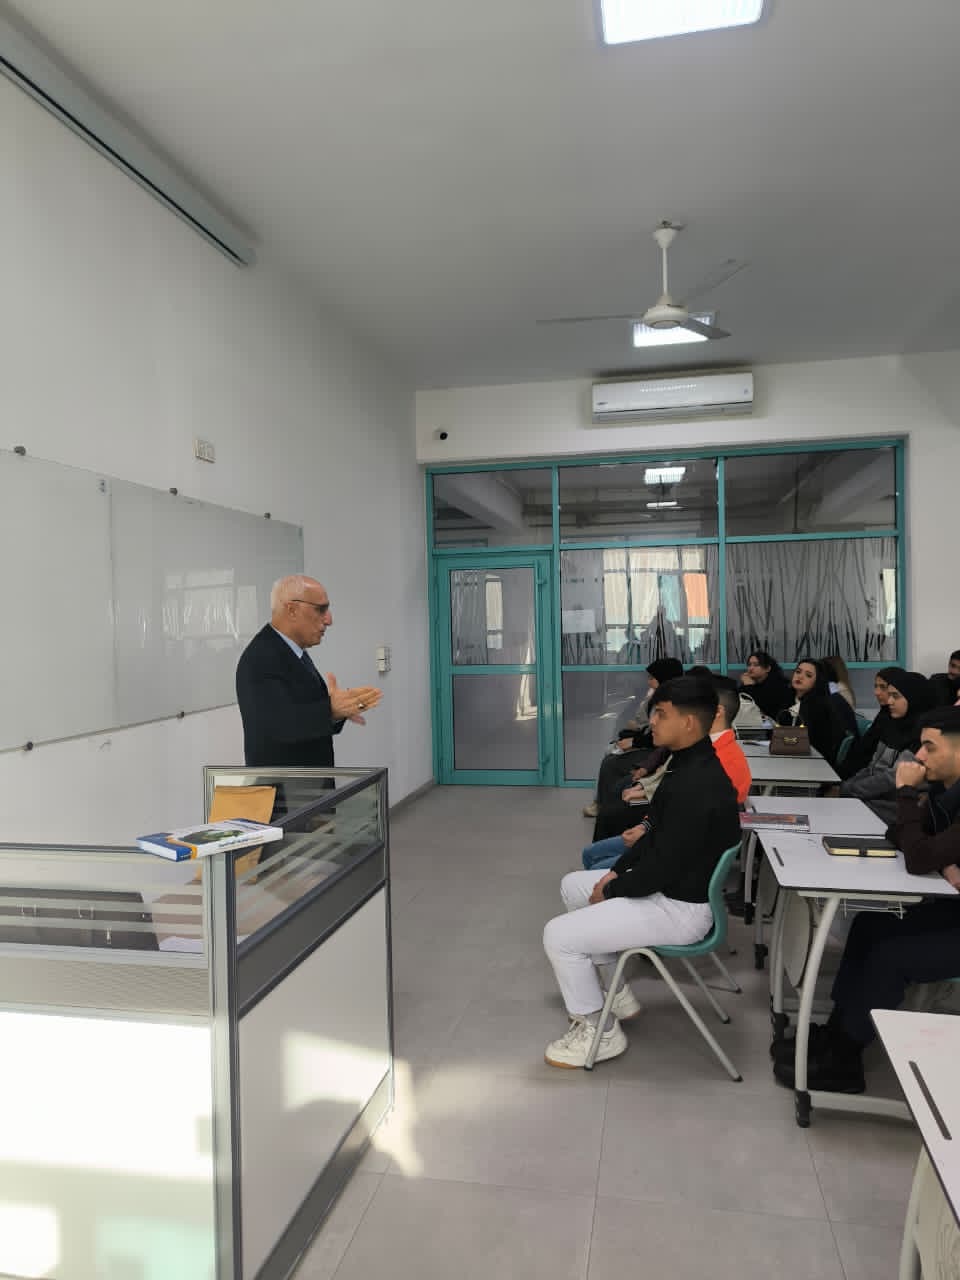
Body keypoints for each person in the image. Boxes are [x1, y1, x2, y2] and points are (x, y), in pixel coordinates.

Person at [542, 676, 741, 1068]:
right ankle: (616, 995)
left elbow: (662, 866)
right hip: (671, 886)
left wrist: (612, 889)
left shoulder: (698, 784)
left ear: (688, 722)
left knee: (558, 936)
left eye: (662, 714)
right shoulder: (686, 762)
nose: (653, 722)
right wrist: (613, 874)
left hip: (680, 908)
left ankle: (599, 1031)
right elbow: (654, 838)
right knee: (573, 886)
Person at [774, 705, 960, 1094]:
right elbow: (901, 835)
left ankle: (846, 1058)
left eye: (929, 747)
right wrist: (939, 856)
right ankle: (838, 1028)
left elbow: (918, 855)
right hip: (951, 909)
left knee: (891, 956)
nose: (919, 757)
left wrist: (906, 795)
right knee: (869, 925)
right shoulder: (946, 793)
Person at [580, 677, 751, 871]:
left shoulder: (720, 764)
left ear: (717, 712)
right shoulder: (697, 750)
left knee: (599, 863)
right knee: (591, 854)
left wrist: (644, 836)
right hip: (662, 837)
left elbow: (684, 834)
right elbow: (669, 804)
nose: (653, 721)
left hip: (679, 855)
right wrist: (645, 826)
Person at [236, 574, 382, 767]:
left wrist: (337, 710)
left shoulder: (292, 651)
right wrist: (330, 709)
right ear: (292, 610)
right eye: (320, 609)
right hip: (284, 784)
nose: (329, 620)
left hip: (307, 781)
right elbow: (279, 726)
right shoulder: (261, 657)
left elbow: (301, 712)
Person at [582, 657, 683, 819]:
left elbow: (661, 738)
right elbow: (646, 728)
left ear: (663, 678)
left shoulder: (674, 703)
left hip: (659, 753)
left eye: (652, 678)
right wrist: (631, 737)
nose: (649, 682)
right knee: (611, 754)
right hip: (653, 748)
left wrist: (634, 742)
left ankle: (604, 806)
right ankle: (603, 802)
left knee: (611, 764)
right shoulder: (656, 699)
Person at [839, 671, 936, 824]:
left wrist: (849, 791)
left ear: (913, 698)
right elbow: (872, 768)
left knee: (842, 810)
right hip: (876, 798)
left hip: (898, 807)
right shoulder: (892, 725)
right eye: (889, 695)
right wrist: (847, 786)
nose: (889, 701)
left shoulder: (924, 735)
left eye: (895, 696)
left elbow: (893, 778)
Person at [776, 658, 858, 769]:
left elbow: (810, 742)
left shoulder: (819, 705)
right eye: (798, 672)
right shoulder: (790, 698)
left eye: (808, 675)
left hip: (818, 763)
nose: (800, 677)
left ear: (817, 681)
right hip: (796, 756)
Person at [738, 650, 792, 721]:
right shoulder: (750, 682)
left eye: (756, 665)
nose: (751, 668)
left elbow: (765, 708)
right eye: (749, 665)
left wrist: (749, 686)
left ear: (767, 668)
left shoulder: (778, 685)